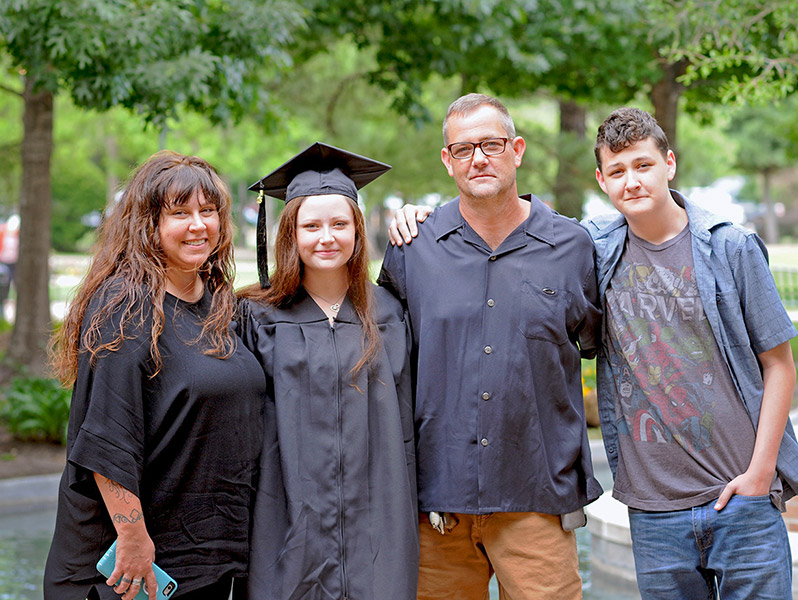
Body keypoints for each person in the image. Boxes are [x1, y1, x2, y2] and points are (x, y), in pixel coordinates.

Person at [584, 108, 798, 599]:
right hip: (654, 512)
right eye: (617, 171)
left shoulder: (732, 248)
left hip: (741, 499)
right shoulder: (593, 250)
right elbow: (523, 225)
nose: (631, 181)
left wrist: (760, 474)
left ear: (669, 163)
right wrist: (424, 216)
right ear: (602, 180)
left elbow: (779, 365)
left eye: (642, 165)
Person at [379, 93, 601, 599]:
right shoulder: (413, 249)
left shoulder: (572, 247)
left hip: (537, 499)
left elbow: (594, 344)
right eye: (463, 149)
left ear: (517, 150)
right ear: (447, 160)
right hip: (438, 505)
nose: (478, 158)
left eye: (491, 144)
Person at [44, 151, 266, 600]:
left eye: (208, 211)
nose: (198, 225)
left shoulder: (219, 304)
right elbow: (107, 433)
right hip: (136, 570)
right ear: (147, 225)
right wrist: (133, 539)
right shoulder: (124, 307)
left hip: (206, 560)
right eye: (180, 213)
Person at [237, 142, 418, 600]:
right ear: (290, 234)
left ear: (357, 231)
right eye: (311, 225)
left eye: (339, 224)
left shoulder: (391, 313)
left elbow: (410, 421)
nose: (326, 237)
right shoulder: (257, 317)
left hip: (378, 521)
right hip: (284, 519)